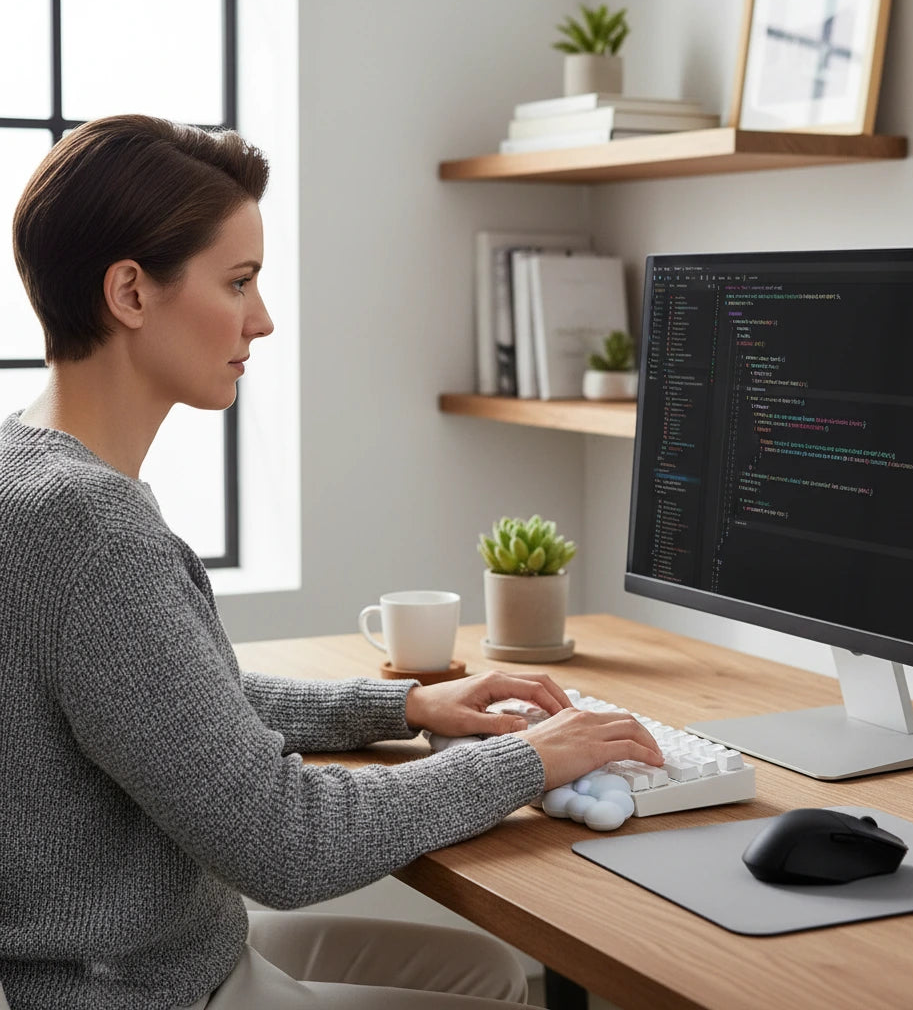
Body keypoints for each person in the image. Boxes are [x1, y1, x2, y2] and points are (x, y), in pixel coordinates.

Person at [0, 115, 663, 1010]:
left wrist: (403, 704)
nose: (262, 321)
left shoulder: (24, 466)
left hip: (137, 953)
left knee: (492, 973)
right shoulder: (90, 528)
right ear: (129, 292)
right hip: (137, 989)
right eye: (238, 282)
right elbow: (284, 841)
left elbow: (175, 702)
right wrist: (534, 760)